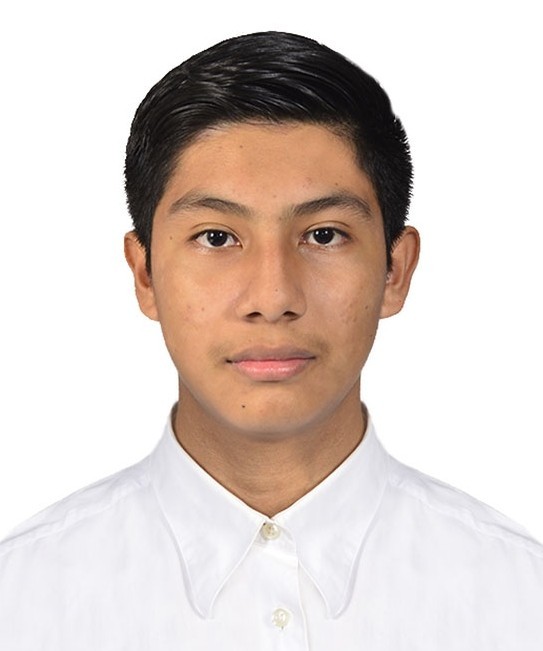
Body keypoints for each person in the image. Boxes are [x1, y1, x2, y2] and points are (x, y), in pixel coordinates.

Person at [0, 30, 541, 650]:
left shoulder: (520, 599)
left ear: (395, 270)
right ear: (145, 274)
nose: (273, 296)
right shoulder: (21, 600)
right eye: (216, 237)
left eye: (324, 235)